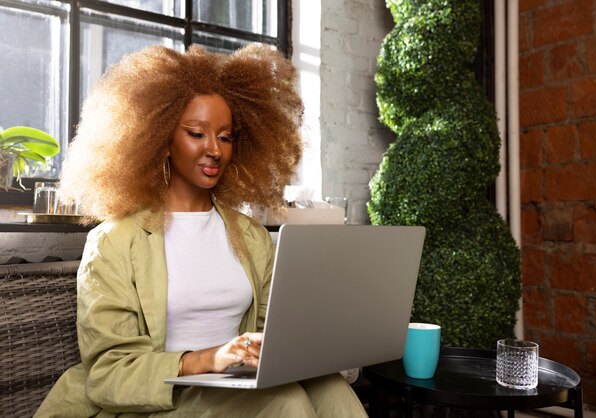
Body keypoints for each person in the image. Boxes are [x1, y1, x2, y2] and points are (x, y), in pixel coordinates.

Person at [34, 44, 368, 417]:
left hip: (235, 388)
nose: (215, 150)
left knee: (330, 385)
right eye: (197, 133)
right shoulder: (114, 242)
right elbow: (110, 374)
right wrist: (209, 359)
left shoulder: (251, 237)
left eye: (225, 137)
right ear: (160, 140)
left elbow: (271, 336)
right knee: (286, 402)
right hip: (160, 398)